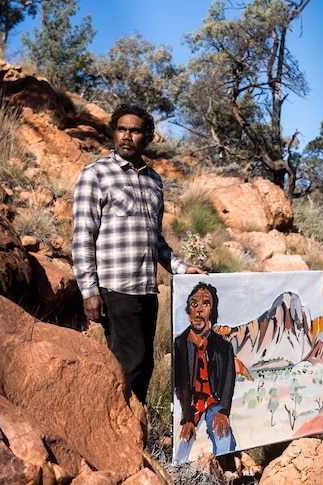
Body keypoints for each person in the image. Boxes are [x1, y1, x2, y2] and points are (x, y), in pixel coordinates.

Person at [72, 103, 205, 405]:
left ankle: (134, 435)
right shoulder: (96, 175)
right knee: (129, 366)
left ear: (147, 136)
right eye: (121, 129)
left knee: (144, 366)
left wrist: (183, 269)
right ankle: (118, 437)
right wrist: (89, 291)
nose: (127, 136)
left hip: (147, 289)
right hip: (115, 288)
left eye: (135, 130)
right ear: (113, 133)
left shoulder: (154, 180)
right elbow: (82, 237)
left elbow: (155, 241)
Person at [174, 282, 236, 463]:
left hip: (212, 402)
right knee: (181, 449)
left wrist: (223, 410)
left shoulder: (223, 346)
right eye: (194, 304)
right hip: (190, 404)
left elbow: (228, 380)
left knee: (223, 435)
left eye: (206, 304)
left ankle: (226, 471)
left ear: (212, 312)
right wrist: (187, 418)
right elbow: (180, 384)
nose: (199, 310)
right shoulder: (180, 345)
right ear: (188, 313)